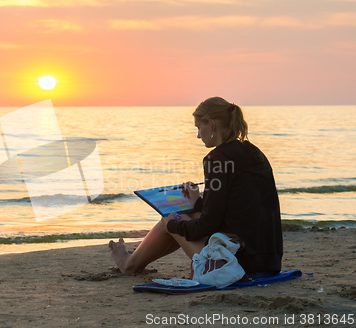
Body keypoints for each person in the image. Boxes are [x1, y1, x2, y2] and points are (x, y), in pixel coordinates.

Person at [109, 97, 283, 278]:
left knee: (170, 217)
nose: (198, 135)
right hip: (268, 261)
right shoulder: (254, 152)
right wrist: (198, 202)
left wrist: (173, 225)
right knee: (182, 215)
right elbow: (238, 210)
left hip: (238, 264)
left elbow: (208, 225)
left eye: (199, 127)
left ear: (212, 124)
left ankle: (128, 264)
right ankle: (132, 261)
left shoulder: (217, 159)